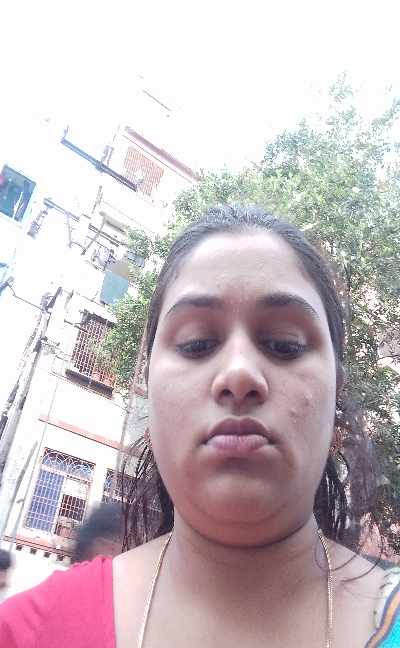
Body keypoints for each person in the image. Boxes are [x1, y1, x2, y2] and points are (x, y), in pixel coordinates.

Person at [1, 205, 399, 647]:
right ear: (148, 384)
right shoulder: (25, 633)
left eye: (284, 344)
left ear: (337, 390)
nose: (239, 373)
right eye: (197, 343)